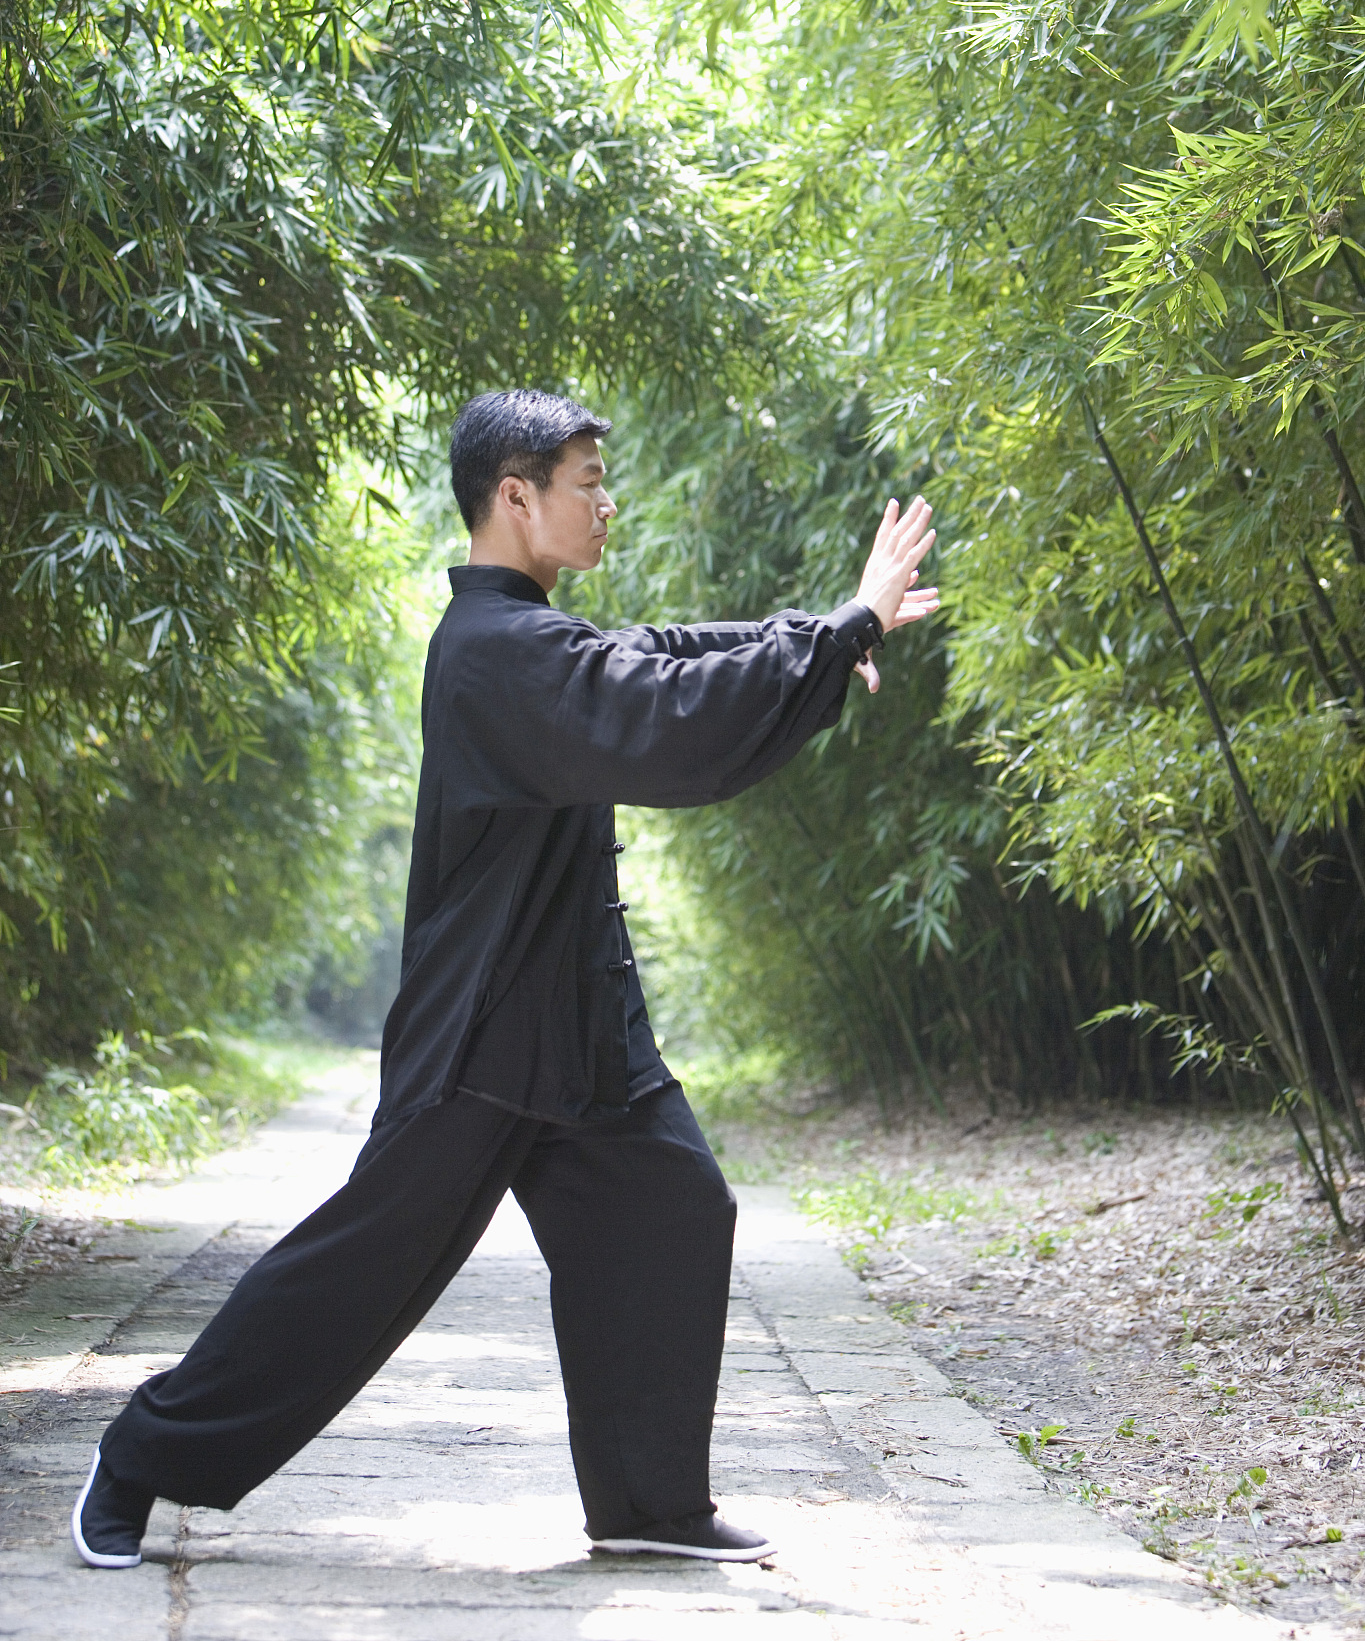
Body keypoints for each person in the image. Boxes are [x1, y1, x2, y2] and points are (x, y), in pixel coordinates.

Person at [72, 389, 939, 1571]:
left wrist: (832, 632)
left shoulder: (531, 638)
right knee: (365, 1266)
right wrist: (840, 633)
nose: (607, 503)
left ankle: (647, 1502)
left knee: (674, 1207)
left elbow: (661, 655)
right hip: (483, 1032)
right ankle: (138, 1457)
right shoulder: (495, 651)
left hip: (575, 1024)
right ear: (517, 496)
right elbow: (660, 713)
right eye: (588, 481)